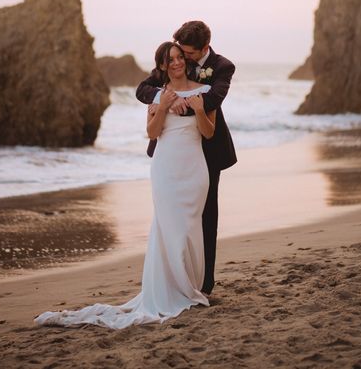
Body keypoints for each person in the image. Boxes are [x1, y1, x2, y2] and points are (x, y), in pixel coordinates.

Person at [34, 41, 215, 329]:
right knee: (168, 227)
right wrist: (164, 105)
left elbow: (208, 133)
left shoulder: (204, 92)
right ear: (163, 66)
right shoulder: (158, 96)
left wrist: (200, 111)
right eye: (171, 59)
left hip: (194, 170)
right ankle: (171, 290)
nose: (178, 62)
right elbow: (152, 133)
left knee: (189, 230)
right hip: (166, 169)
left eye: (180, 57)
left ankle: (189, 288)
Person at [136, 20, 237, 295]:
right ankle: (175, 279)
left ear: (203, 48)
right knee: (171, 219)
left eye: (188, 54)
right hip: (170, 154)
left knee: (206, 217)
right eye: (178, 53)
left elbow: (213, 100)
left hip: (207, 150)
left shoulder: (222, 66)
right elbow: (142, 90)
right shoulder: (174, 60)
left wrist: (183, 106)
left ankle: (204, 284)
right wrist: (165, 98)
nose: (182, 59)